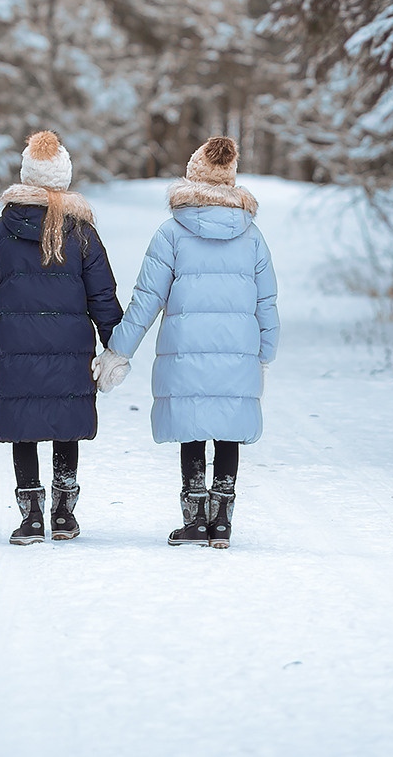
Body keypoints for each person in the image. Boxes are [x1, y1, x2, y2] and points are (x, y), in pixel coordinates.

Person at [97, 135, 278, 548]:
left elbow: (147, 299)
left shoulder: (171, 233)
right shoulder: (253, 237)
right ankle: (223, 523)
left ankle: (195, 520)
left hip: (184, 356)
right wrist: (265, 353)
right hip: (237, 355)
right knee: (229, 429)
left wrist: (117, 351)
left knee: (193, 429)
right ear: (231, 181)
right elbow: (267, 301)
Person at [0, 130, 123, 544]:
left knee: (23, 424)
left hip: (14, 347)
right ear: (64, 178)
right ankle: (64, 514)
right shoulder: (82, 232)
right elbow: (102, 293)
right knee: (65, 421)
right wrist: (115, 345)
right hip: (70, 348)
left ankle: (31, 515)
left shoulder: (2, 231)